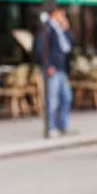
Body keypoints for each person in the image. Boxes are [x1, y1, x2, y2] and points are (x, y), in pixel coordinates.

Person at [32, 8, 75, 138]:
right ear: (54, 14)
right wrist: (48, 66)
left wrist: (66, 29)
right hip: (53, 70)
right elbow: (40, 48)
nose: (63, 16)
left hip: (62, 69)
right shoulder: (47, 28)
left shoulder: (60, 30)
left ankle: (63, 125)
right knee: (52, 99)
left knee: (66, 97)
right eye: (61, 14)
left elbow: (68, 46)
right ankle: (50, 127)